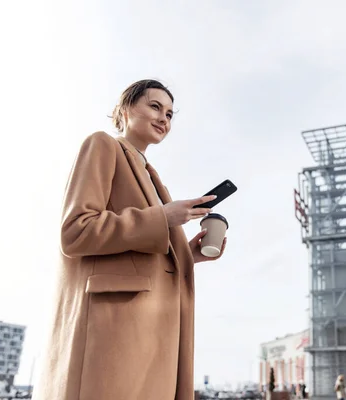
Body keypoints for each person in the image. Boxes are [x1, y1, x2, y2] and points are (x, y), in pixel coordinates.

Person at [33, 79, 227, 400]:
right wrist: (162, 218)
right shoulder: (103, 145)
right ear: (125, 109)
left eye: (169, 113)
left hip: (153, 334)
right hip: (112, 331)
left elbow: (142, 253)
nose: (164, 118)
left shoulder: (152, 176)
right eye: (154, 106)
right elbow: (76, 230)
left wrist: (189, 255)